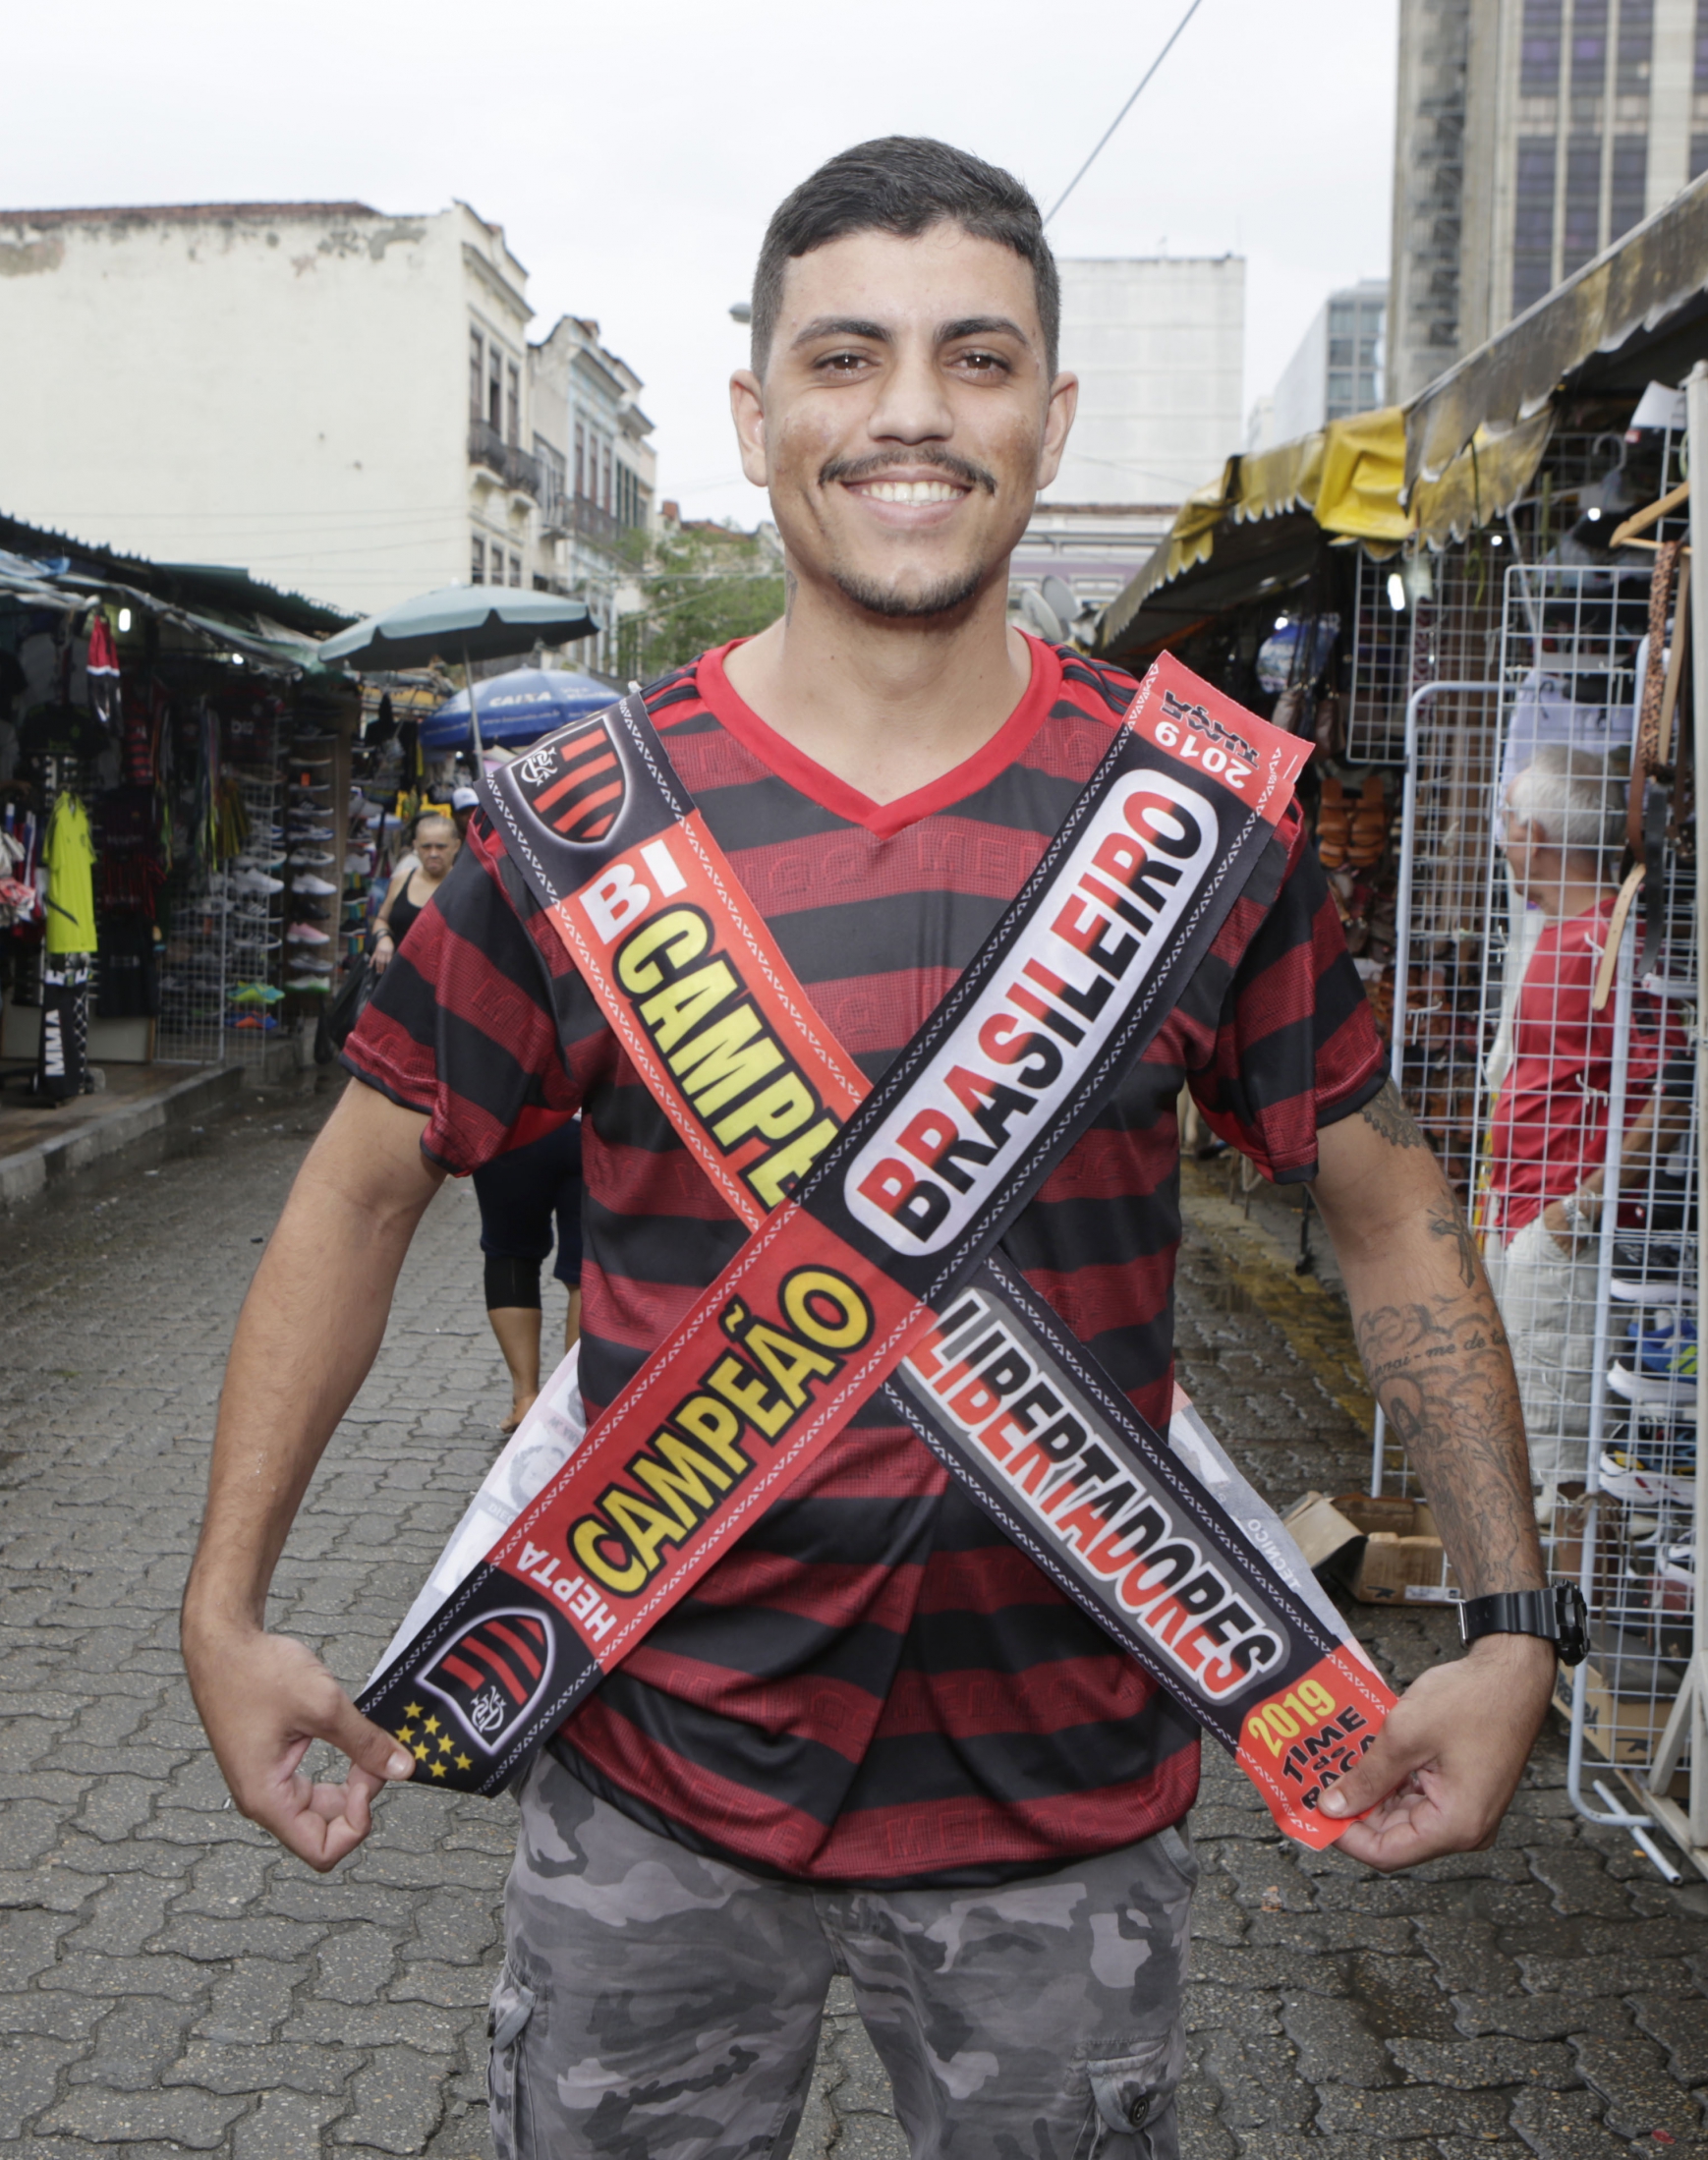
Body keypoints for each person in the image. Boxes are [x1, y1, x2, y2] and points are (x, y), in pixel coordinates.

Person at [183, 140, 1557, 2160]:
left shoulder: (1198, 827)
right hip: (653, 1792)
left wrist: (1515, 1622)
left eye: (973, 358)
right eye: (846, 357)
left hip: (1065, 1823)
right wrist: (224, 1607)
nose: (911, 410)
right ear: (757, 420)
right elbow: (357, 1184)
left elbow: (1389, 1201)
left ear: (1049, 418)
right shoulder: (578, 828)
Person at [1486, 746, 1673, 1501]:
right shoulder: (1573, 934)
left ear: (1533, 835)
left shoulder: (1607, 941)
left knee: (1559, 1465)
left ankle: (1570, 1583)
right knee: (1535, 1447)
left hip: (1559, 1230)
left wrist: (1579, 1210)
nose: (1502, 839)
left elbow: (1675, 1089)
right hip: (1529, 1220)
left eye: (1507, 822)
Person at [474, 1113, 584, 1433]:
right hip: (592, 1123)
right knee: (588, 1268)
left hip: (512, 1122)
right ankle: (575, 1405)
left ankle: (525, 1399)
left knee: (509, 1254)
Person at [369, 810, 457, 973]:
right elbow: (381, 919)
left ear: (455, 846)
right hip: (397, 976)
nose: (433, 854)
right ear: (416, 846)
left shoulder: (466, 887)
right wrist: (383, 938)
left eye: (441, 847)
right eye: (426, 847)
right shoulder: (402, 879)